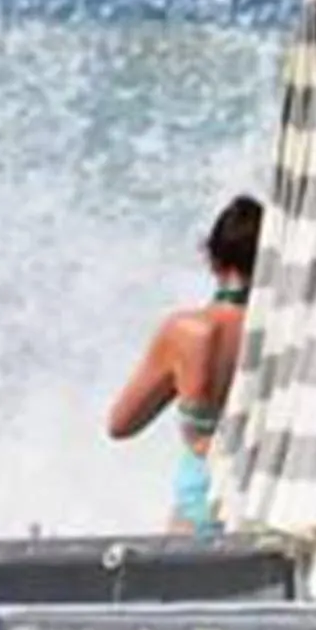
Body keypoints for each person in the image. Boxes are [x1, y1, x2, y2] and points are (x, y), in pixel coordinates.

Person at [106, 195, 261, 534]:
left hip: (202, 499)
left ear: (212, 259)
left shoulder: (185, 332)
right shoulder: (286, 331)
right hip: (271, 497)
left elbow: (121, 424)